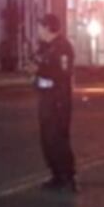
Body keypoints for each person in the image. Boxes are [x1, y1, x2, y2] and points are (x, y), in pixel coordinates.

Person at [32, 13, 77, 193]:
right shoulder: (45, 47)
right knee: (47, 139)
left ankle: (68, 176)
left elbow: (63, 74)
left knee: (58, 139)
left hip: (58, 101)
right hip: (46, 99)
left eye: (41, 27)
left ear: (50, 28)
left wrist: (42, 71)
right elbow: (38, 65)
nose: (38, 30)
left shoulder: (63, 48)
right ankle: (56, 175)